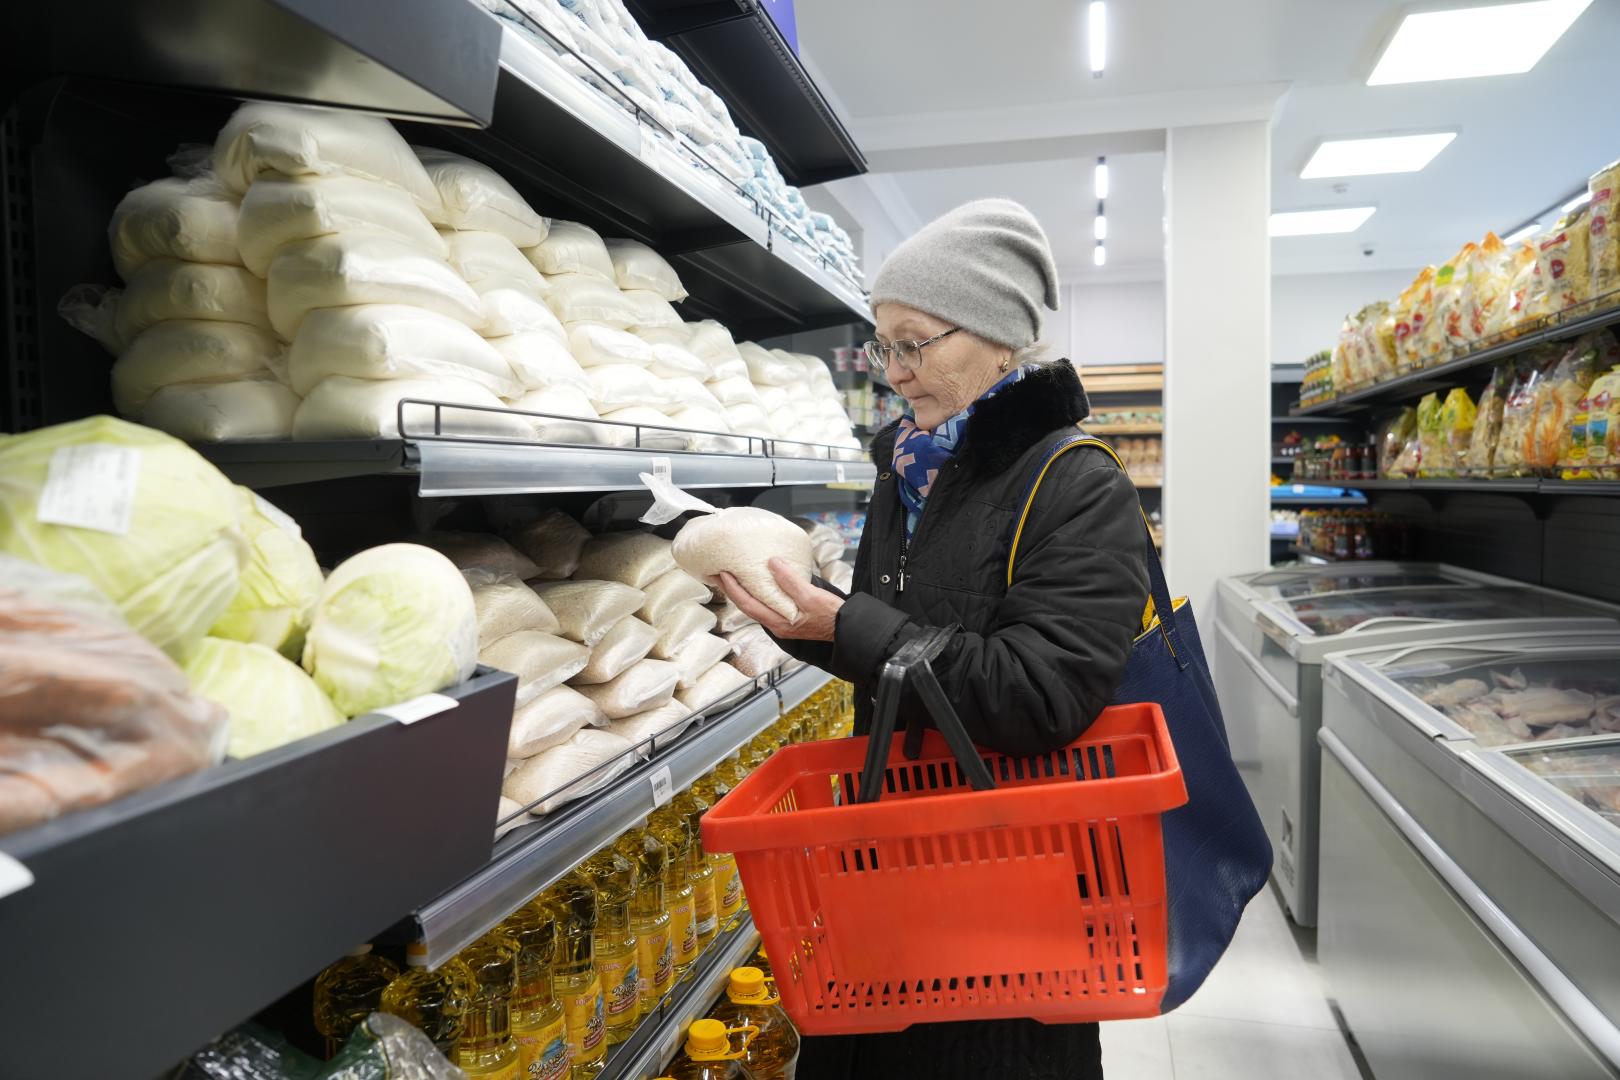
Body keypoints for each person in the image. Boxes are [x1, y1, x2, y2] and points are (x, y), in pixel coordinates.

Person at [716, 198, 1151, 1079]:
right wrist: (805, 621)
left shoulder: (1077, 484)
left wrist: (851, 624)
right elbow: (896, 651)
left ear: (998, 339)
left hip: (1013, 884)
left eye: (914, 344)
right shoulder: (908, 472)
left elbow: (1044, 695)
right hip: (887, 862)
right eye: (885, 347)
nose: (895, 373)